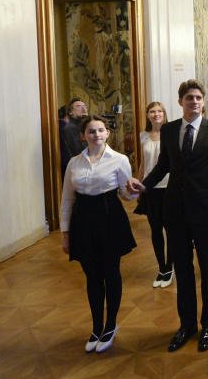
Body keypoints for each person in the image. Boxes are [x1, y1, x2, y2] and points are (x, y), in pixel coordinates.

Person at [127, 79, 208, 353]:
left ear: (203, 102)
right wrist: (144, 185)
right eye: (189, 98)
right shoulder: (170, 130)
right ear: (180, 101)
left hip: (206, 211)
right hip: (176, 211)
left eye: (198, 98)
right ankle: (186, 325)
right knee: (183, 270)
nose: (194, 102)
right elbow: (163, 165)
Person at [61, 115, 136, 353]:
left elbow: (126, 194)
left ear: (107, 133)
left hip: (109, 217)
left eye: (101, 130)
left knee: (111, 272)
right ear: (83, 136)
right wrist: (65, 232)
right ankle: (96, 327)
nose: (96, 135)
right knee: (92, 275)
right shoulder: (74, 162)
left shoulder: (119, 159)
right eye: (91, 131)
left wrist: (134, 191)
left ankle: (111, 325)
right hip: (83, 220)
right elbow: (67, 199)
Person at [137, 102, 173, 288]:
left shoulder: (171, 132)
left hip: (169, 187)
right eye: (152, 111)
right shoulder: (143, 135)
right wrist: (139, 185)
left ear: (164, 114)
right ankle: (162, 267)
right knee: (155, 228)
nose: (156, 114)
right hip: (150, 188)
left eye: (159, 111)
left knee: (171, 228)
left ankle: (170, 266)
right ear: (147, 115)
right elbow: (143, 164)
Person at [59, 97, 88, 176]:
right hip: (78, 170)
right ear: (70, 112)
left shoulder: (86, 126)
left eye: (84, 106)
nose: (83, 108)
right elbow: (77, 152)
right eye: (78, 106)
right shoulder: (69, 128)